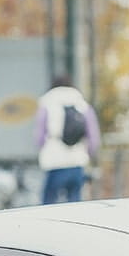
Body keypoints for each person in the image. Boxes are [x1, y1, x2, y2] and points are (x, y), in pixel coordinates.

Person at [34, 76, 100, 204]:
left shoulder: (47, 103)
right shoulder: (82, 104)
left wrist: (44, 149)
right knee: (75, 204)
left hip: (55, 162)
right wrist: (88, 153)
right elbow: (93, 136)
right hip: (77, 162)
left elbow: (39, 137)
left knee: (48, 204)